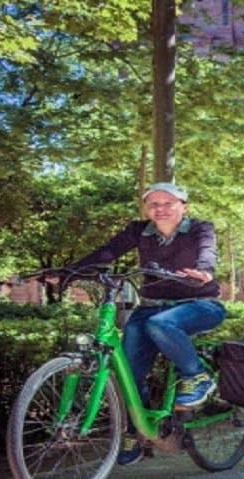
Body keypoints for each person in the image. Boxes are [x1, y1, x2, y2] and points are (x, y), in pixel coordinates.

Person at [73, 182, 225, 464]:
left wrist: (204, 271)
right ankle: (135, 433)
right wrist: (70, 271)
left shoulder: (199, 228)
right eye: (154, 204)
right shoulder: (139, 231)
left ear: (184, 206)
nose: (161, 209)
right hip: (152, 307)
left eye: (168, 203)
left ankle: (196, 376)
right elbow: (108, 252)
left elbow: (207, 251)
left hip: (199, 305)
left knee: (160, 325)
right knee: (129, 375)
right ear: (146, 209)